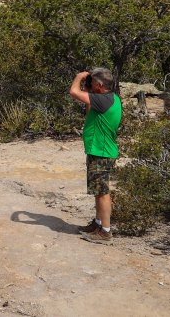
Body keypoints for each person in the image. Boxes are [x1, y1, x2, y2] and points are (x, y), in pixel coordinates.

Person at [70, 67, 122, 243]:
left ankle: (105, 231)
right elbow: (89, 108)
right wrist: (88, 87)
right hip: (99, 150)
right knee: (98, 190)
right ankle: (98, 223)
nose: (89, 84)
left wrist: (79, 77)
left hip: (101, 151)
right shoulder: (109, 98)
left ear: (99, 85)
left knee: (102, 192)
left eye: (92, 82)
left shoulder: (103, 100)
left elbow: (73, 92)